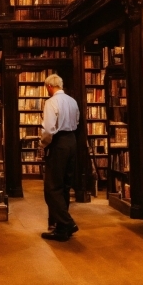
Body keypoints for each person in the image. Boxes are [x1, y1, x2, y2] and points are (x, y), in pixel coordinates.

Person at [40, 74, 79, 242]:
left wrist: (43, 144)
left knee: (51, 188)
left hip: (59, 143)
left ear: (49, 86)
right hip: (72, 141)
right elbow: (77, 121)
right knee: (64, 186)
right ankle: (62, 230)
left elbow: (48, 129)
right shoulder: (72, 101)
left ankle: (67, 222)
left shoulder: (51, 102)